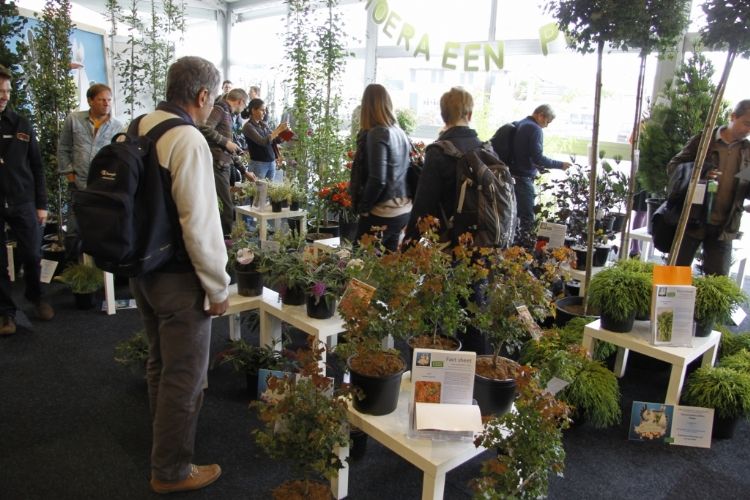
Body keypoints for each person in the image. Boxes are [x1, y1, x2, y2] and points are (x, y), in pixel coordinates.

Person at [129, 56, 229, 494]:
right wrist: (217, 286)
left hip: (143, 268)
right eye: (214, 97)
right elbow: (199, 224)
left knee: (159, 364)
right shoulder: (187, 139)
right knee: (185, 377)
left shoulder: (140, 125)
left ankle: (164, 445)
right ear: (202, 95)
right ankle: (170, 470)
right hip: (178, 278)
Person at [0, 64, 54, 335]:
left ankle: (36, 295)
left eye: (7, 91)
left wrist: (41, 204)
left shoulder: (22, 124)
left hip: (23, 200)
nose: (4, 96)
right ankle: (6, 313)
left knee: (32, 254)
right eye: (0, 91)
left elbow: (37, 166)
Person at [669, 99, 750, 276]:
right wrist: (699, 173)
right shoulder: (704, 140)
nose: (748, 130)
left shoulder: (748, 150)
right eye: (747, 123)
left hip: (725, 226)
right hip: (692, 220)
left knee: (718, 282)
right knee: (675, 275)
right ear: (733, 117)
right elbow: (674, 167)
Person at [404, 87, 481, 245]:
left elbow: (424, 204)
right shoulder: (484, 149)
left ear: (443, 116)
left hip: (451, 240)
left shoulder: (439, 152)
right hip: (482, 237)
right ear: (470, 115)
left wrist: (409, 242)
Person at [58, 83, 124, 259]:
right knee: (73, 231)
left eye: (109, 100)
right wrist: (69, 175)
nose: (106, 103)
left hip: (102, 187)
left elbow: (118, 156)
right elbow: (63, 148)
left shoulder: (117, 127)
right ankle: (73, 269)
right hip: (77, 184)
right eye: (102, 100)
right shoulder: (74, 119)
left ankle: (96, 270)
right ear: (90, 101)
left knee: (99, 231)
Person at [349, 83, 411, 251]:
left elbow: (378, 179)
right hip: (403, 210)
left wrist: (364, 208)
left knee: (358, 262)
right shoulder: (400, 132)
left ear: (367, 106)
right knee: (386, 263)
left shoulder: (378, 133)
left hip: (382, 212)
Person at [510, 104, 571, 248]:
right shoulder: (534, 129)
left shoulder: (520, 123)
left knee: (515, 217)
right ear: (540, 115)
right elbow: (538, 158)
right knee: (527, 218)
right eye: (547, 121)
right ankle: (524, 251)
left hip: (512, 177)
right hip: (523, 179)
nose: (546, 126)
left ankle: (514, 250)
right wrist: (560, 165)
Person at [198, 88, 251, 236]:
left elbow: (228, 147)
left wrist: (244, 171)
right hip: (217, 164)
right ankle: (226, 241)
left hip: (223, 164)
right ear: (240, 101)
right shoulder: (220, 108)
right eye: (245, 105)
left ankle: (222, 238)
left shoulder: (227, 113)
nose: (244, 109)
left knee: (224, 205)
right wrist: (226, 142)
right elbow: (204, 127)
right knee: (227, 206)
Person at [242, 98, 288, 181]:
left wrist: (286, 132)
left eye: (265, 110)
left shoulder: (263, 125)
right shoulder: (248, 126)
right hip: (258, 164)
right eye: (262, 110)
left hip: (271, 163)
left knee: (269, 188)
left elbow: (277, 140)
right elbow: (262, 142)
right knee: (257, 188)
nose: (265, 113)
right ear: (253, 110)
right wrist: (278, 130)